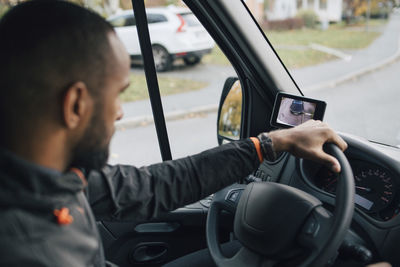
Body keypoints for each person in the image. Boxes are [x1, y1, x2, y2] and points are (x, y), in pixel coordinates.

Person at [0, 1, 387, 267]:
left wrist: (271, 143)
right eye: (117, 96)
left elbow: (155, 185)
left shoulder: (60, 178)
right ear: (75, 105)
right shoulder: (29, 248)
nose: (120, 112)